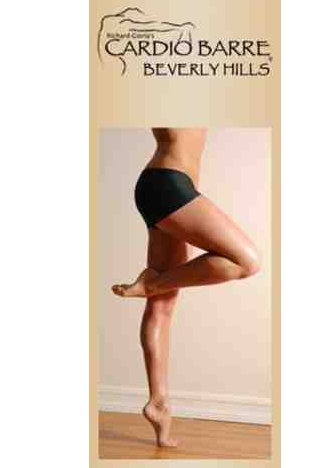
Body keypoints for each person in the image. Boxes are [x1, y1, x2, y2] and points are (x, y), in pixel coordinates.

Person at [112, 128, 261, 448]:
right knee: (246, 261)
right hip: (168, 185)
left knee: (162, 303)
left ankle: (159, 404)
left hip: (169, 186)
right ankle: (152, 283)